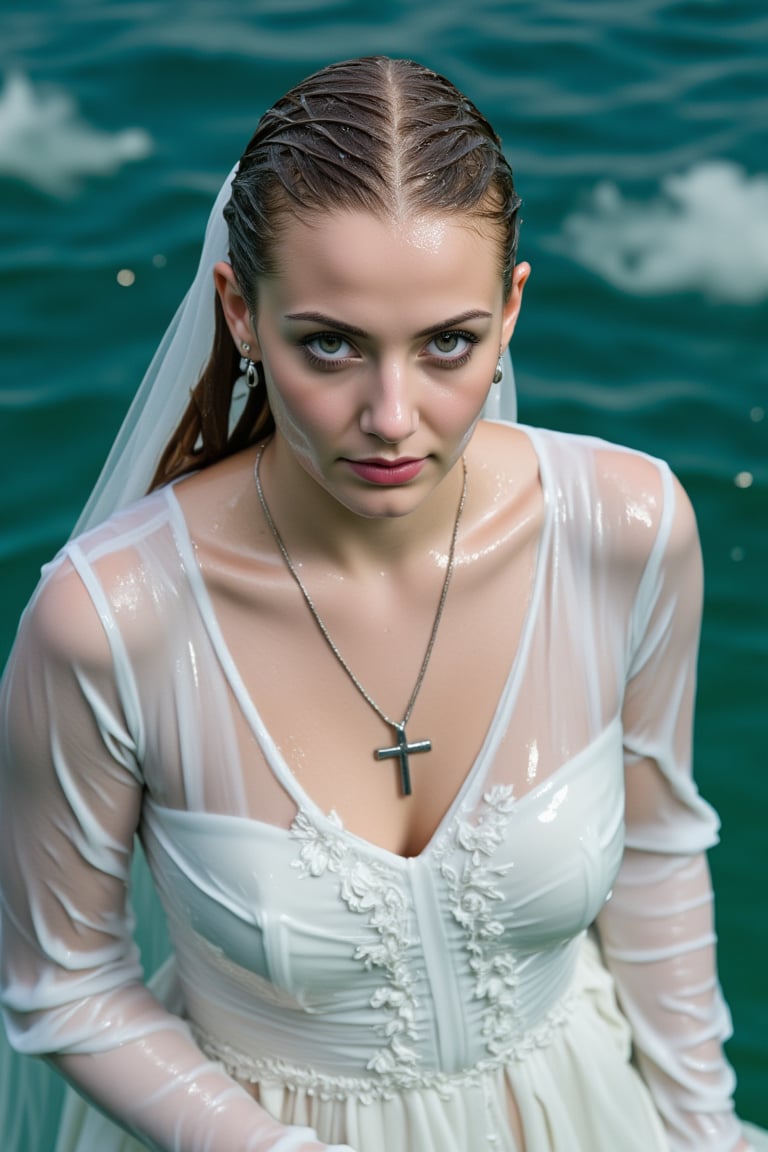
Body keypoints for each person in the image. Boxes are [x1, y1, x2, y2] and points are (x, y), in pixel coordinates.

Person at [0, 55, 763, 1152]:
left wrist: (700, 1129)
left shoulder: (626, 529)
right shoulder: (109, 621)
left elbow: (656, 850)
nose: (393, 416)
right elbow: (61, 985)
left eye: (447, 343)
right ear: (241, 314)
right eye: (331, 345)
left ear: (510, 312)